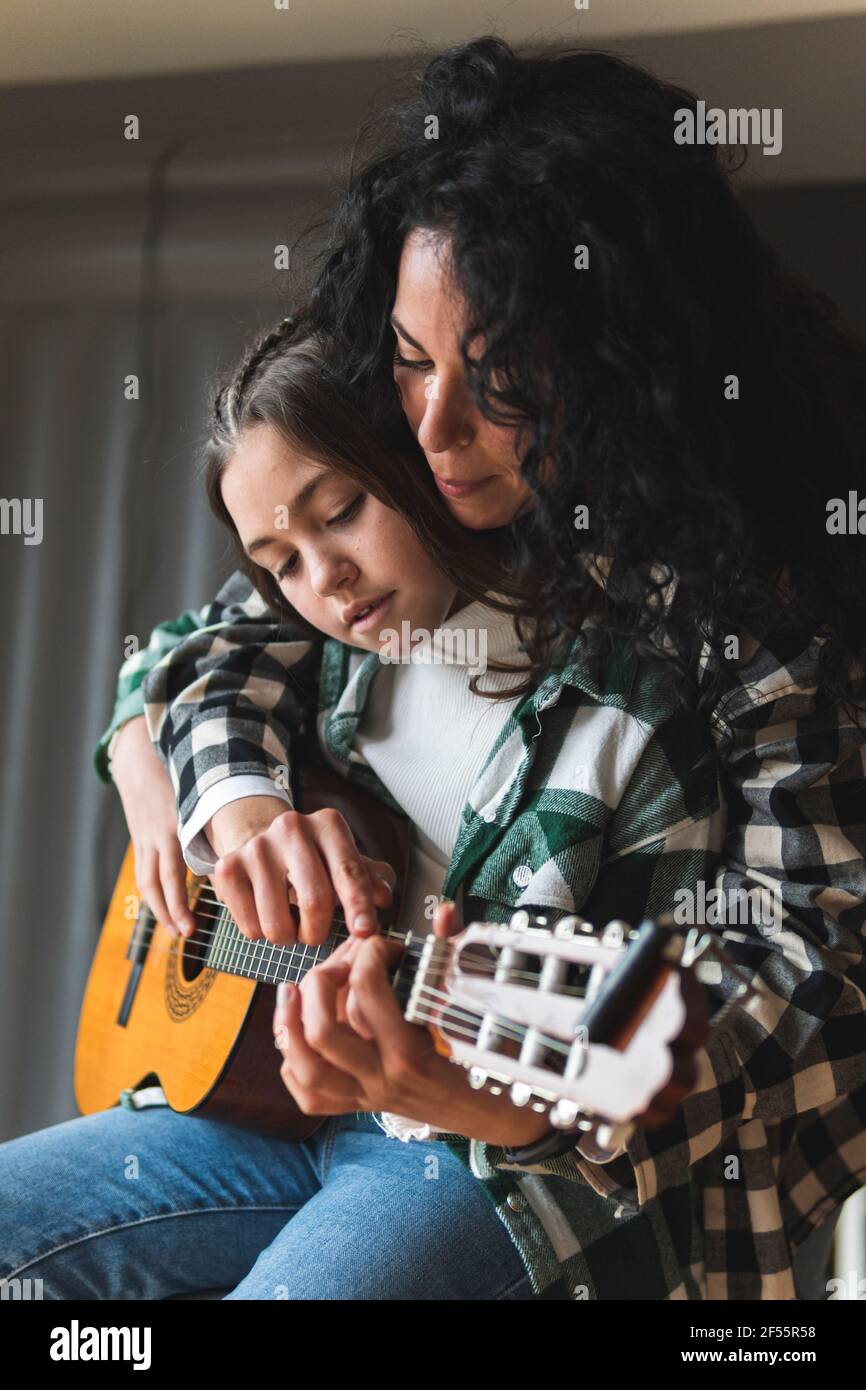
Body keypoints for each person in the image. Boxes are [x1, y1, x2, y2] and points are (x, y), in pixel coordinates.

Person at [102, 39, 866, 1298]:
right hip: (312, 1112)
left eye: (499, 374)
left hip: (562, 1174)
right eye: (409, 359)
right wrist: (202, 778)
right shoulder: (435, 508)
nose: (433, 428)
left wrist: (517, 1102)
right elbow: (207, 645)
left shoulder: (769, 620)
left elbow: (804, 1008)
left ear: (630, 361)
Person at [0, 318, 723, 1301]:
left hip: (477, 1157)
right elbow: (178, 658)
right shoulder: (330, 650)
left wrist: (452, 1086)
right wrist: (201, 791)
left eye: (338, 510)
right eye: (280, 559)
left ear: (419, 458)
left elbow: (653, 1078)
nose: (324, 580)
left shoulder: (622, 710)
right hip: (277, 1112)